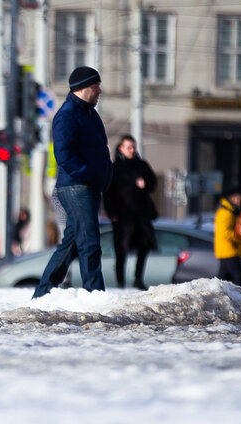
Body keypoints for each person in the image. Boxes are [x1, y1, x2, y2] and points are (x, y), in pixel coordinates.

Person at [32, 66, 112, 298]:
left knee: (72, 243)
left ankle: (43, 293)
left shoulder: (88, 113)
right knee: (89, 243)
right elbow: (64, 154)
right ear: (82, 88)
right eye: (95, 87)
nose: (99, 91)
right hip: (77, 187)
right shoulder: (67, 114)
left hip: (87, 186)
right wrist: (87, 174)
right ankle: (95, 295)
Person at [103, 135, 158, 290]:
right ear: (121, 148)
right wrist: (112, 213)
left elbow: (153, 183)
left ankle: (138, 278)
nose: (132, 150)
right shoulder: (114, 168)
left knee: (144, 245)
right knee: (121, 250)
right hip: (122, 216)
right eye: (128, 147)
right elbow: (107, 193)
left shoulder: (141, 165)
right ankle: (120, 282)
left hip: (140, 214)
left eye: (133, 147)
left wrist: (145, 184)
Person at [214, 187, 241, 287]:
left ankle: (220, 296)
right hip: (229, 250)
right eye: (239, 197)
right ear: (232, 198)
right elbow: (225, 232)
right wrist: (240, 236)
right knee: (239, 278)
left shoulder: (231, 211)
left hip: (228, 250)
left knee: (224, 279)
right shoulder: (225, 213)